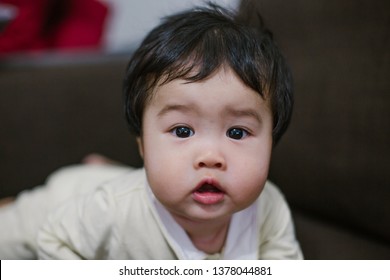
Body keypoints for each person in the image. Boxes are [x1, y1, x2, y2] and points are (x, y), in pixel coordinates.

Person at [1, 4, 302, 259]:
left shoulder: (269, 209)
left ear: (271, 143)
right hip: (65, 200)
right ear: (142, 144)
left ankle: (105, 170)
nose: (211, 157)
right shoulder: (112, 212)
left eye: (237, 133)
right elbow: (55, 239)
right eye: (182, 130)